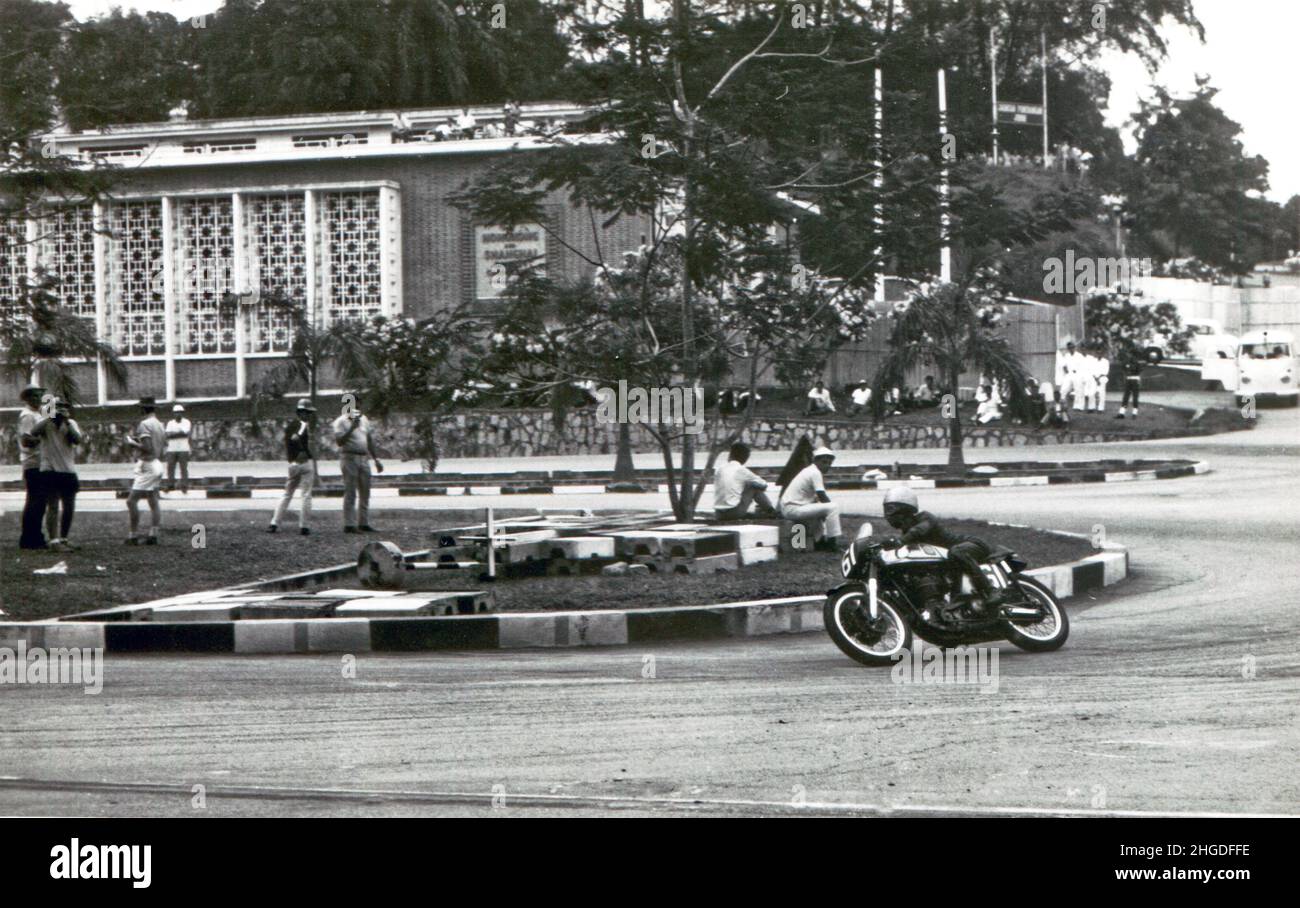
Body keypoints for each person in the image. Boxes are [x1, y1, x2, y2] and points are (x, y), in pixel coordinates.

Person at [881, 486, 1005, 615]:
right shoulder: (907, 532)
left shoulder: (925, 517)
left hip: (970, 544)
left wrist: (900, 541)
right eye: (886, 509)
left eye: (891, 509)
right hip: (952, 556)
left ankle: (991, 590)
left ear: (904, 508)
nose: (888, 514)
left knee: (957, 552)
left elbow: (919, 530)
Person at [332, 398, 384, 533]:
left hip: (363, 458)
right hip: (349, 457)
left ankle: (363, 522)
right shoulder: (340, 422)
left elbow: (369, 439)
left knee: (365, 491)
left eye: (358, 406)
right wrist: (351, 428)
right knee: (350, 491)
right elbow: (339, 442)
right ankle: (349, 524)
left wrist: (376, 459)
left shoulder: (364, 420)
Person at [37, 397, 82, 553]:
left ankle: (64, 538)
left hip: (67, 469)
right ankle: (54, 541)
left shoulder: (71, 424)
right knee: (53, 506)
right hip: (49, 469)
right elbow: (34, 432)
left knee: (69, 506)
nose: (61, 410)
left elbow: (77, 440)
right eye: (58, 407)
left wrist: (67, 422)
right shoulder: (45, 424)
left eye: (64, 407)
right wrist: (50, 417)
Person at [778, 445, 842, 551]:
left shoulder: (810, 470)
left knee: (821, 511)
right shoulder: (815, 472)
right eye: (824, 462)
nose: (827, 465)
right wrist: (829, 511)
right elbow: (822, 496)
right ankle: (832, 543)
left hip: (791, 507)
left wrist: (824, 510)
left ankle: (819, 542)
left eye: (829, 463)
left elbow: (818, 498)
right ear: (815, 460)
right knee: (833, 507)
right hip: (793, 508)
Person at [269, 399, 317, 536]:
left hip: (293, 463)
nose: (308, 415)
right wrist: (303, 451)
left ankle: (274, 523)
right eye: (307, 412)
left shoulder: (291, 425)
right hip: (304, 462)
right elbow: (296, 438)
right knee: (306, 495)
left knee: (287, 494)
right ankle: (304, 526)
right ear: (301, 413)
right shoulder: (302, 425)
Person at [125, 396, 166, 545]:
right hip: (156, 463)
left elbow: (147, 447)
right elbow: (161, 446)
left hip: (147, 464)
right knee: (152, 499)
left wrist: (133, 443)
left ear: (143, 409)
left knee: (131, 501)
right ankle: (153, 534)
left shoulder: (144, 424)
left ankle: (133, 535)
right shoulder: (160, 424)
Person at [17, 385, 50, 550]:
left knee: (39, 502)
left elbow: (50, 421)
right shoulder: (28, 416)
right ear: (28, 398)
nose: (39, 400)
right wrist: (44, 441)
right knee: (35, 501)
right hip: (33, 462)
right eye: (35, 397)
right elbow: (26, 440)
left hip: (41, 462)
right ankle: (31, 537)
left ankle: (34, 536)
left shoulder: (39, 413)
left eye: (40, 396)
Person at [713, 442, 777, 520]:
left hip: (718, 513)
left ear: (730, 455)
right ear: (745, 459)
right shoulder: (741, 469)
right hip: (733, 512)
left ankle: (763, 511)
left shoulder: (719, 468)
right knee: (753, 486)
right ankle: (771, 511)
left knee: (742, 484)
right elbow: (764, 484)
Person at [164, 403, 192, 493]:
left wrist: (174, 434)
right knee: (170, 468)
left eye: (180, 412)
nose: (178, 414)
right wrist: (179, 433)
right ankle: (170, 485)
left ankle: (184, 486)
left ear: (182, 413)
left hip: (183, 448)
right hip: (172, 449)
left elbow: (186, 434)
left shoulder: (187, 422)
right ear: (173, 413)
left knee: (183, 468)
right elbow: (168, 435)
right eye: (176, 412)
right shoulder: (170, 423)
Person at [1116, 350, 1148, 419]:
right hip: (1128, 380)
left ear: (1134, 355)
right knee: (1125, 397)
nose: (1129, 356)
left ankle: (1134, 413)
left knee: (1135, 397)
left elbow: (1138, 371)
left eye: (1131, 354)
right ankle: (1121, 413)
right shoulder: (1127, 362)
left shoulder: (1137, 363)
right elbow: (1124, 368)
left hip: (1135, 380)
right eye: (1129, 354)